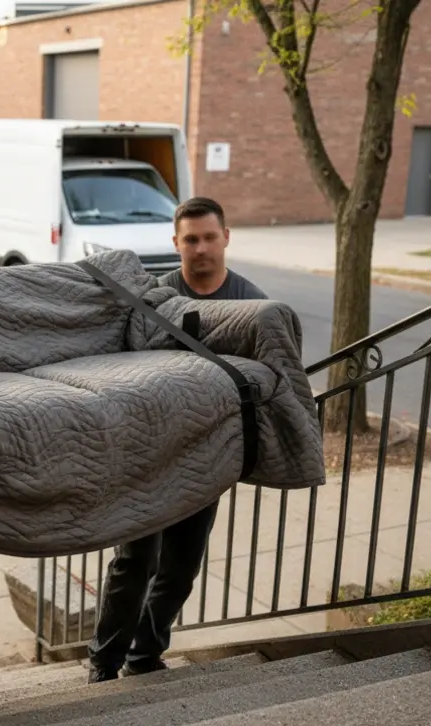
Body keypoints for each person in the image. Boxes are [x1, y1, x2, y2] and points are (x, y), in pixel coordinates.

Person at [87, 196, 267, 683]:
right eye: (191, 239)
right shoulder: (155, 301)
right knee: (133, 562)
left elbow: (269, 381)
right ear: (176, 243)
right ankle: (103, 663)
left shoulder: (251, 304)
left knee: (180, 568)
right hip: (145, 456)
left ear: (226, 237)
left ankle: (144, 656)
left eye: (210, 237)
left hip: (207, 457)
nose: (201, 247)